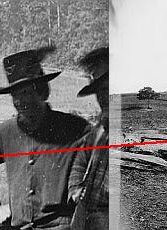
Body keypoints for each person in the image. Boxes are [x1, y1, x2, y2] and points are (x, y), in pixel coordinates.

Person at [0, 46, 90, 230]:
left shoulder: (75, 128)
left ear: (42, 91)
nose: (20, 101)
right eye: (15, 94)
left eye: (26, 92)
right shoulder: (5, 132)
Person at [68, 47, 109, 230]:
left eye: (107, 88)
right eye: (99, 91)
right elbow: (80, 160)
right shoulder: (99, 131)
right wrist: (75, 188)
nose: (103, 97)